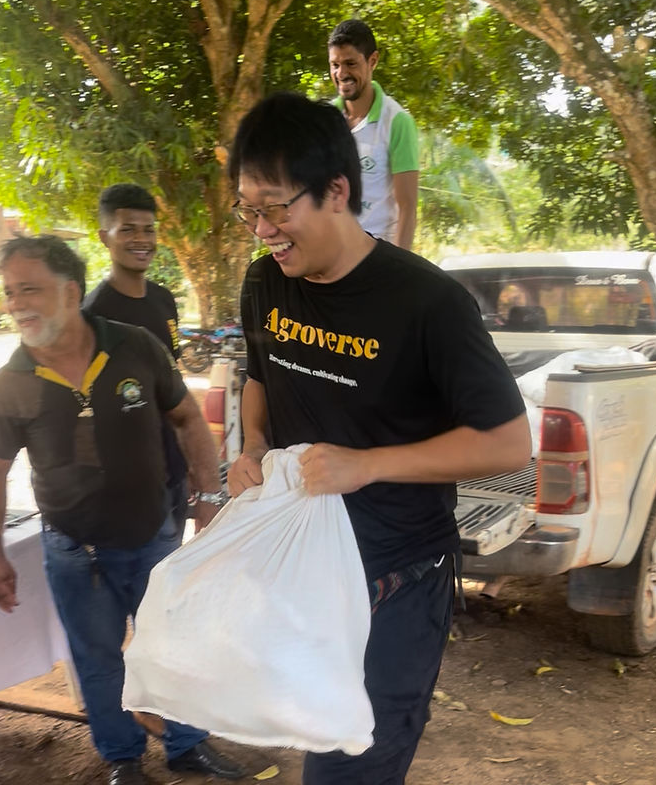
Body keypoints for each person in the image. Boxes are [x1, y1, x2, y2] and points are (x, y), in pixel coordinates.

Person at [226, 92, 531, 785]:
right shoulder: (264, 283)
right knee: (310, 739)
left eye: (276, 207)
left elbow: (509, 444)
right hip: (304, 573)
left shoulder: (427, 304)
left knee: (349, 769)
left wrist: (367, 465)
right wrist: (252, 447)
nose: (263, 229)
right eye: (247, 210)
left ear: (337, 191)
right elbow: (260, 376)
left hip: (396, 586)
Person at [0, 235, 244, 785]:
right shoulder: (10, 383)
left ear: (70, 292)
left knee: (174, 648)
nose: (16, 304)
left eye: (29, 290)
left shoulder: (134, 346)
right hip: (74, 551)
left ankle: (187, 744)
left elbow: (188, 419)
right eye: (10, 292)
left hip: (154, 538)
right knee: (97, 659)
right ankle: (123, 759)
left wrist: (207, 496)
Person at [83, 183, 188, 542]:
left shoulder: (164, 300)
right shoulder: (93, 314)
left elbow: (175, 390)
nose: (141, 240)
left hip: (173, 474)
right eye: (127, 229)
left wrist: (190, 466)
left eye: (148, 229)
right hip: (127, 492)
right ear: (104, 237)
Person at [328, 18, 419, 250]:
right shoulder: (324, 120)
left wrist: (399, 264)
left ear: (373, 61)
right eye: (335, 65)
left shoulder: (397, 122)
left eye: (350, 63)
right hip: (331, 253)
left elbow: (408, 206)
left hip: (377, 255)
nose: (341, 73)